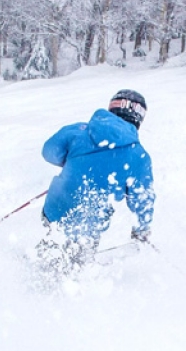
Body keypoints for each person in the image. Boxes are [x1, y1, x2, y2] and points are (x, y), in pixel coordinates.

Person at [38, 89, 155, 269]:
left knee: (54, 236)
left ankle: (44, 263)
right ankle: (68, 277)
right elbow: (142, 200)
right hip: (88, 221)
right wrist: (142, 230)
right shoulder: (138, 156)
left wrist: (72, 159)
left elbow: (49, 151)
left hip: (55, 207)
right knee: (78, 255)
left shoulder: (79, 131)